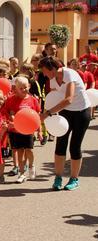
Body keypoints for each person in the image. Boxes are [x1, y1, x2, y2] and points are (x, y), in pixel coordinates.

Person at [38, 57, 92, 191]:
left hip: (82, 112)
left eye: (45, 71)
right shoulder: (52, 80)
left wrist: (47, 113)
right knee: (60, 144)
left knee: (75, 146)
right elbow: (54, 98)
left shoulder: (69, 74)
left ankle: (74, 179)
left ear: (53, 68)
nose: (44, 74)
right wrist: (46, 113)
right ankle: (58, 178)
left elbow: (68, 99)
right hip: (66, 113)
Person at [2, 76, 41, 184]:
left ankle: (32, 165)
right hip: (15, 130)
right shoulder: (10, 100)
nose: (24, 90)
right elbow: (4, 111)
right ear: (15, 89)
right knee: (20, 151)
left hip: (28, 130)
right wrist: (10, 119)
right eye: (21, 88)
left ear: (29, 86)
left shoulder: (33, 100)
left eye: (25, 87)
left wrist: (39, 131)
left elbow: (37, 115)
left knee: (29, 150)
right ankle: (22, 173)